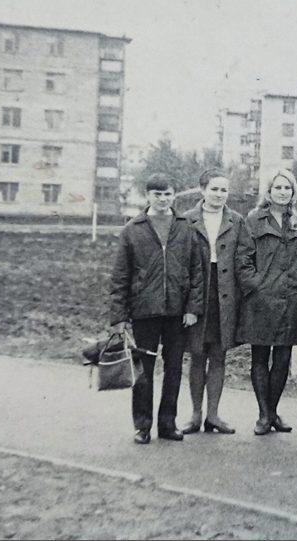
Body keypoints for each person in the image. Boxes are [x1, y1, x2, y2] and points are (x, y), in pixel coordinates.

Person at [109, 173, 203, 445]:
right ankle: (142, 426)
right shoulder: (132, 229)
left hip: (177, 312)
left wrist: (192, 308)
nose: (163, 199)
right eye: (157, 194)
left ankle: (167, 423)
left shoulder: (185, 227)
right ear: (147, 195)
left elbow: (196, 271)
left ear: (174, 195)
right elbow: (120, 276)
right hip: (144, 311)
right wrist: (119, 317)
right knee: (143, 371)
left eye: (167, 194)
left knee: (173, 369)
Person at [236, 169, 297, 435]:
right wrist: (256, 285)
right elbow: (242, 259)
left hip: (290, 299)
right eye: (278, 187)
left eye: (287, 188)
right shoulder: (254, 220)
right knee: (259, 356)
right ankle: (263, 415)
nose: (282, 192)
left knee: (282, 358)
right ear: (269, 191)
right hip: (261, 300)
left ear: (293, 193)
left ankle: (273, 412)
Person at [180, 168, 245, 436]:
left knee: (219, 355)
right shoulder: (187, 220)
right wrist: (188, 304)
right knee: (197, 354)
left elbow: (243, 258)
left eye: (223, 190)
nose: (219, 194)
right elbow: (181, 262)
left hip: (226, 293)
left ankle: (213, 415)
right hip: (198, 292)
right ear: (202, 190)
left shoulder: (236, 221)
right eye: (214, 189)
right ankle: (195, 415)